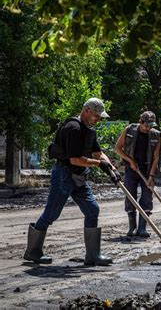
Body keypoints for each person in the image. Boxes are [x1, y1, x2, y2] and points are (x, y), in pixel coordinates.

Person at [24, 98, 120, 266]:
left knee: (92, 210)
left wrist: (112, 168)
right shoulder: (72, 128)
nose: (98, 119)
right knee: (51, 214)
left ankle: (93, 255)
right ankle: (33, 252)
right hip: (64, 175)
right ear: (86, 111)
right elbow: (75, 159)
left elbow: (98, 153)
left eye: (100, 117)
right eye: (96, 116)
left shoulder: (89, 130)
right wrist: (99, 164)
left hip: (79, 177)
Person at [115, 111, 161, 237]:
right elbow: (117, 148)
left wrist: (151, 176)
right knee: (130, 196)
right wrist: (130, 161)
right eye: (147, 125)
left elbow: (156, 157)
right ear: (140, 122)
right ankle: (132, 227)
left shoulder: (156, 135)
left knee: (147, 198)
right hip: (131, 169)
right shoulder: (129, 130)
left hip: (147, 170)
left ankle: (142, 228)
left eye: (151, 125)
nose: (149, 128)